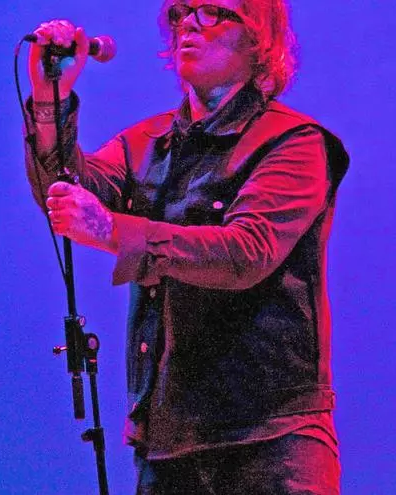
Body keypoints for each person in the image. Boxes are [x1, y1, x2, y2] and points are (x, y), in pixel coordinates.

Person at [24, 1, 349, 493]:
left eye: (213, 11)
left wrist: (113, 229)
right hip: (168, 441)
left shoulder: (295, 142)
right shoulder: (146, 142)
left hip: (270, 439)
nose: (190, 23)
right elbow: (67, 192)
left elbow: (245, 253)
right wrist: (50, 99)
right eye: (182, 11)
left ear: (259, 39)